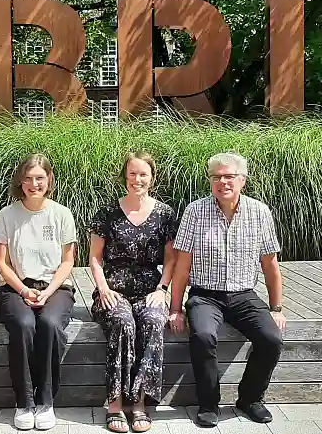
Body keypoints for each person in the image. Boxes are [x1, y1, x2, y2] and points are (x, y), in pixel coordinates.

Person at [168, 152, 286, 428]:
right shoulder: (195, 211)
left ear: (242, 180)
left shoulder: (260, 212)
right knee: (203, 335)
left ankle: (250, 399)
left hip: (244, 295)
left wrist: (276, 308)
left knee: (271, 338)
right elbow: (182, 266)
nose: (223, 182)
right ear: (211, 181)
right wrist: (175, 309)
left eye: (229, 176)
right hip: (205, 295)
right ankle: (209, 404)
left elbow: (270, 267)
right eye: (217, 177)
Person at [89, 152, 178, 433]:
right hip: (113, 289)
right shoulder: (107, 212)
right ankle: (114, 404)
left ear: (152, 178)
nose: (137, 180)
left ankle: (138, 403)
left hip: (150, 289)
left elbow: (172, 258)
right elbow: (94, 258)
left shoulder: (165, 213)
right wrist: (103, 289)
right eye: (132, 174)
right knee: (122, 322)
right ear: (124, 176)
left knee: (153, 320)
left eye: (143, 174)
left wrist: (162, 290)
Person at [0, 153, 78, 431]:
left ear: (49, 180)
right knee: (24, 324)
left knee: (50, 324)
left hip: (55, 287)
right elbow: (2, 263)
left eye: (40, 178)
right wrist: (23, 289)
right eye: (28, 178)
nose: (33, 184)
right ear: (20, 181)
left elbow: (68, 262)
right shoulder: (7, 215)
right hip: (16, 287)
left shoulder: (62, 214)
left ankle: (46, 401)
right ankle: (24, 402)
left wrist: (48, 290)